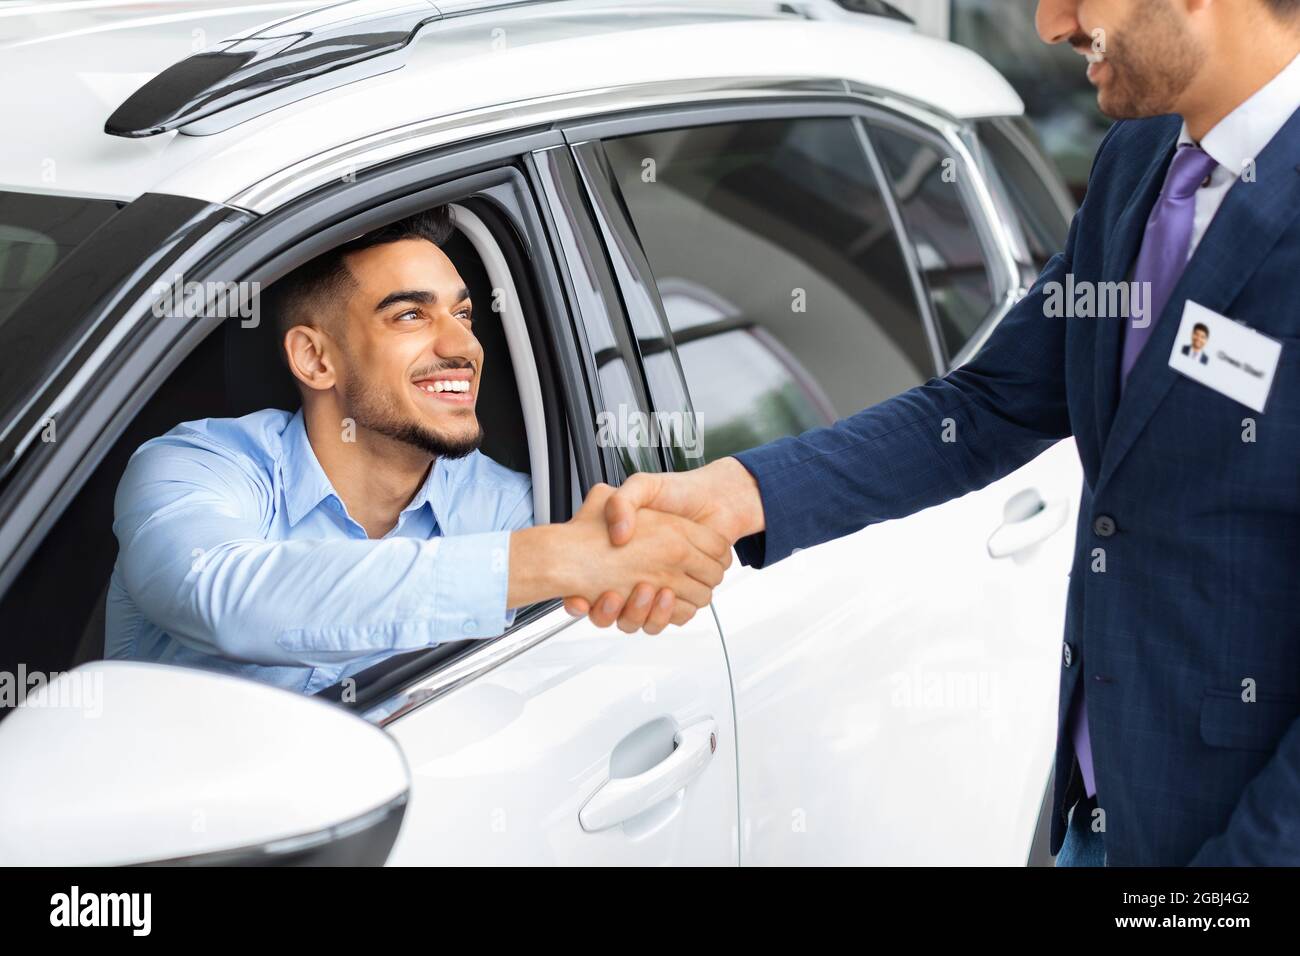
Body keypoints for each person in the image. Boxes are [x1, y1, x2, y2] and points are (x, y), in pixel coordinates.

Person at [568, 0, 1300, 866]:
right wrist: (739, 495)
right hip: (1097, 810)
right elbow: (989, 405)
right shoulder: (1138, 160)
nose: (1050, 24)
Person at [107, 206, 729, 694]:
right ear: (315, 358)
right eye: (410, 315)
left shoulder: (516, 508)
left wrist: (659, 567)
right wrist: (553, 560)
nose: (462, 345)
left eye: (464, 315)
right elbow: (218, 595)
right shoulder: (199, 465)